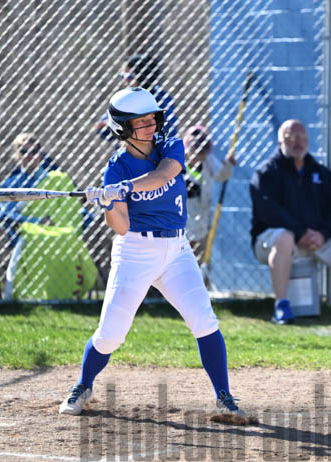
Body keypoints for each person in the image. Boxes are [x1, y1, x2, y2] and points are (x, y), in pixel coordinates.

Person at [59, 86, 249, 423]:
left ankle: (224, 397)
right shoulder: (116, 169)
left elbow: (165, 174)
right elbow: (120, 226)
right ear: (122, 128)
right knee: (111, 333)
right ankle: (83, 385)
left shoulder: (170, 145)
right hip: (135, 251)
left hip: (177, 251)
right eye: (141, 122)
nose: (150, 126)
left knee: (204, 320)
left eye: (152, 119)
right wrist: (108, 203)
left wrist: (127, 188)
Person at [250, 119, 331, 327]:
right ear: (280, 142)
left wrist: (323, 233)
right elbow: (269, 211)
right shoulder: (266, 172)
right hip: (276, 240)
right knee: (284, 238)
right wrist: (300, 232)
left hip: (318, 239)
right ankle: (281, 306)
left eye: (302, 136)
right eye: (291, 136)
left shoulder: (320, 172)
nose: (298, 141)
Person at [0, 132, 96, 300]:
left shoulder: (56, 180)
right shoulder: (11, 184)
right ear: (16, 155)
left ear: (40, 155)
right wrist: (38, 222)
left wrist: (61, 223)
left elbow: (75, 210)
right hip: (29, 235)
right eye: (24, 151)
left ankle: (65, 296)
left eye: (34, 151)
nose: (29, 156)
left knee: (68, 235)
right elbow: (6, 213)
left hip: (61, 233)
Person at [95, 53, 178, 141]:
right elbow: (102, 129)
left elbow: (166, 133)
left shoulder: (161, 98)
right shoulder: (126, 98)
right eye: (122, 76)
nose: (125, 81)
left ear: (142, 76)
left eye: (129, 77)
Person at [183, 125, 235, 260]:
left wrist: (228, 165)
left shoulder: (207, 160)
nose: (197, 157)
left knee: (199, 253)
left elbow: (221, 175)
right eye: (195, 152)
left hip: (201, 215)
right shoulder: (179, 162)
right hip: (183, 216)